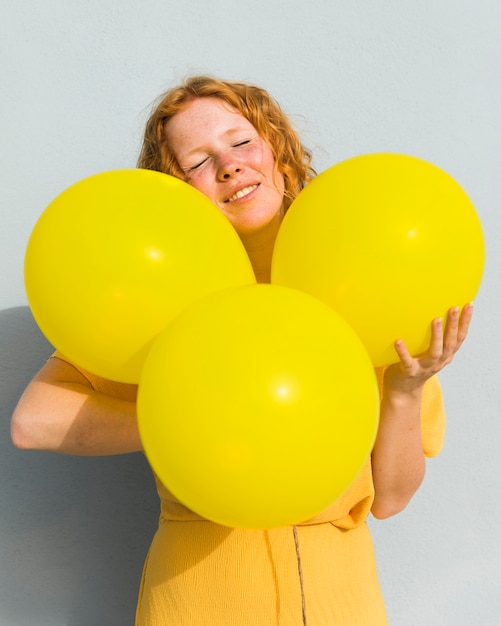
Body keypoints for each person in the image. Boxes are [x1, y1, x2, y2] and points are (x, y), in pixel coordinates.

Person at [11, 75, 473, 625]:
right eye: (197, 162)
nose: (228, 166)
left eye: (240, 142)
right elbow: (32, 422)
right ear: (177, 190)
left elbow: (392, 498)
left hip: (337, 594)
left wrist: (406, 387)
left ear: (278, 151)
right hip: (197, 592)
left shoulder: (359, 275)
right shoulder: (162, 293)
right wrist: (186, 423)